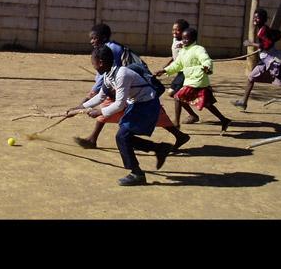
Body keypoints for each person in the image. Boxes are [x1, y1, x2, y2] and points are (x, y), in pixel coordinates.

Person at [74, 23, 190, 151]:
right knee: (148, 112)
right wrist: (82, 106)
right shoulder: (106, 48)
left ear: (104, 36)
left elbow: (107, 76)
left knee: (143, 110)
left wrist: (88, 98)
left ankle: (94, 139)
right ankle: (93, 138)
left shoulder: (110, 50)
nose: (91, 41)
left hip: (137, 85)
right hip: (128, 85)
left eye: (94, 38)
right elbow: (105, 77)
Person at [69, 45, 173, 186]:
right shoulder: (109, 75)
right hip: (137, 104)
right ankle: (159, 149)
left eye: (92, 62)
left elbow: (119, 104)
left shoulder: (121, 74)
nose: (92, 65)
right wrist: (80, 107)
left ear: (100, 62)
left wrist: (99, 112)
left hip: (146, 105)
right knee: (125, 138)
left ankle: (137, 174)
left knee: (122, 137)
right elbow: (100, 96)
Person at [154, 27, 231, 134]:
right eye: (183, 38)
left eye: (187, 39)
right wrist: (164, 70)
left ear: (193, 39)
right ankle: (224, 120)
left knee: (177, 97)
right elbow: (177, 65)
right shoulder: (183, 51)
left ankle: (176, 123)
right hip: (191, 81)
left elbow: (205, 59)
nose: (184, 41)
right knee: (207, 104)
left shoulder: (198, 49)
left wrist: (207, 66)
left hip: (198, 81)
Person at [163, 19, 200, 127]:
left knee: (175, 95)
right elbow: (175, 56)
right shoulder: (175, 39)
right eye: (173, 29)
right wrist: (166, 66)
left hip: (186, 72)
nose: (174, 32)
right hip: (179, 72)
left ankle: (177, 122)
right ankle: (193, 115)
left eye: (177, 30)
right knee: (175, 95)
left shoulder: (187, 44)